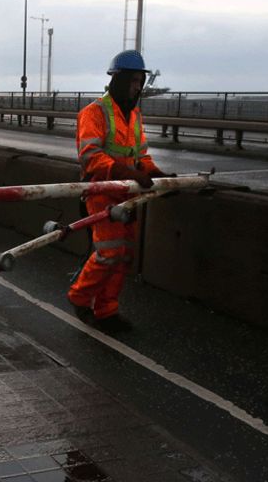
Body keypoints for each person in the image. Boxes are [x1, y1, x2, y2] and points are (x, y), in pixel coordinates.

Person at [68, 49, 170, 332]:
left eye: (140, 81)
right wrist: (129, 173)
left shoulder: (134, 115)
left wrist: (158, 176)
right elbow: (91, 156)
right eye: (134, 81)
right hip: (101, 192)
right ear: (119, 80)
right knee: (108, 253)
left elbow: (140, 155)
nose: (138, 87)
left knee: (124, 256)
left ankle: (106, 311)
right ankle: (79, 296)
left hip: (126, 195)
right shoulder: (94, 113)